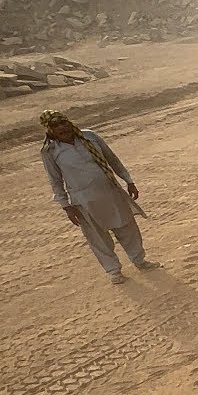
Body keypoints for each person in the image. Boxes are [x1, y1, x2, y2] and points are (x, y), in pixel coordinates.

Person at [39, 110, 160, 284]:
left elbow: (112, 160)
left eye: (63, 122)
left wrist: (128, 180)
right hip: (83, 200)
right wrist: (66, 206)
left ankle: (140, 260)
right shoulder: (50, 151)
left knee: (127, 227)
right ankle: (114, 271)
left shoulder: (89, 137)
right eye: (56, 126)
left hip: (110, 191)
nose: (62, 128)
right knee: (98, 237)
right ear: (49, 130)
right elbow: (55, 181)